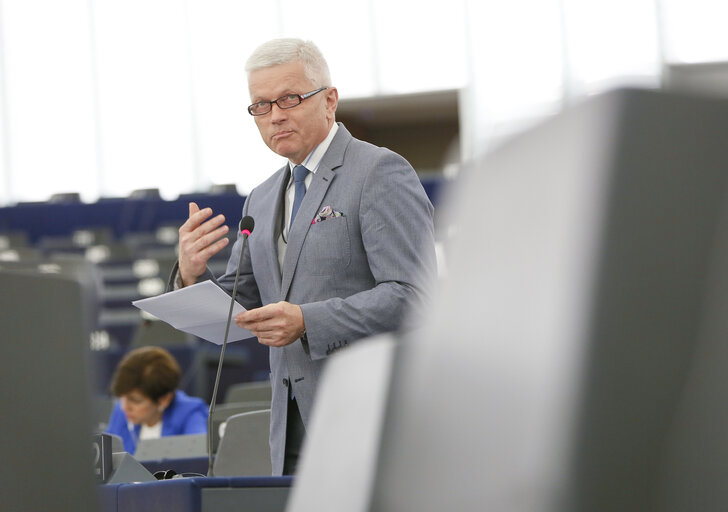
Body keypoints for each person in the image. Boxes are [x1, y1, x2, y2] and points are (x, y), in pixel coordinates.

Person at [171, 38, 436, 475]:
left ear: (329, 100)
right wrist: (191, 273)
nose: (275, 115)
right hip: (290, 424)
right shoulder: (260, 198)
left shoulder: (379, 171)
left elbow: (413, 297)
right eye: (261, 106)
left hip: (369, 418)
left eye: (289, 98)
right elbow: (240, 305)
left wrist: (307, 321)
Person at [105, 346, 208, 454]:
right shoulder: (121, 412)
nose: (124, 407)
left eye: (135, 400)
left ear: (164, 399)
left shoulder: (190, 413)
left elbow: (198, 460)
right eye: (122, 397)